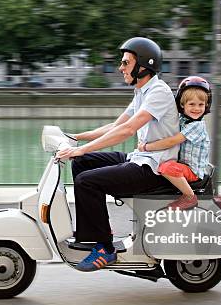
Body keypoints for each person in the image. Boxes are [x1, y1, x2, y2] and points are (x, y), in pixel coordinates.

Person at [55, 37, 180, 272]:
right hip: (141, 159)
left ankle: (105, 248)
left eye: (125, 62)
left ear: (142, 66)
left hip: (155, 169)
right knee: (83, 162)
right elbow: (116, 125)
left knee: (87, 181)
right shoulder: (142, 91)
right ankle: (91, 234)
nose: (120, 68)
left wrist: (81, 147)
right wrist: (77, 138)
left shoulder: (159, 92)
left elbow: (128, 130)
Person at [138, 76, 211, 210]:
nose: (197, 108)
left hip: (192, 171)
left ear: (206, 105)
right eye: (192, 104)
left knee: (166, 168)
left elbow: (172, 141)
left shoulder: (197, 126)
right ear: (182, 105)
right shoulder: (182, 119)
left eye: (201, 104)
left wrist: (147, 147)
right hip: (184, 166)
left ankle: (189, 197)